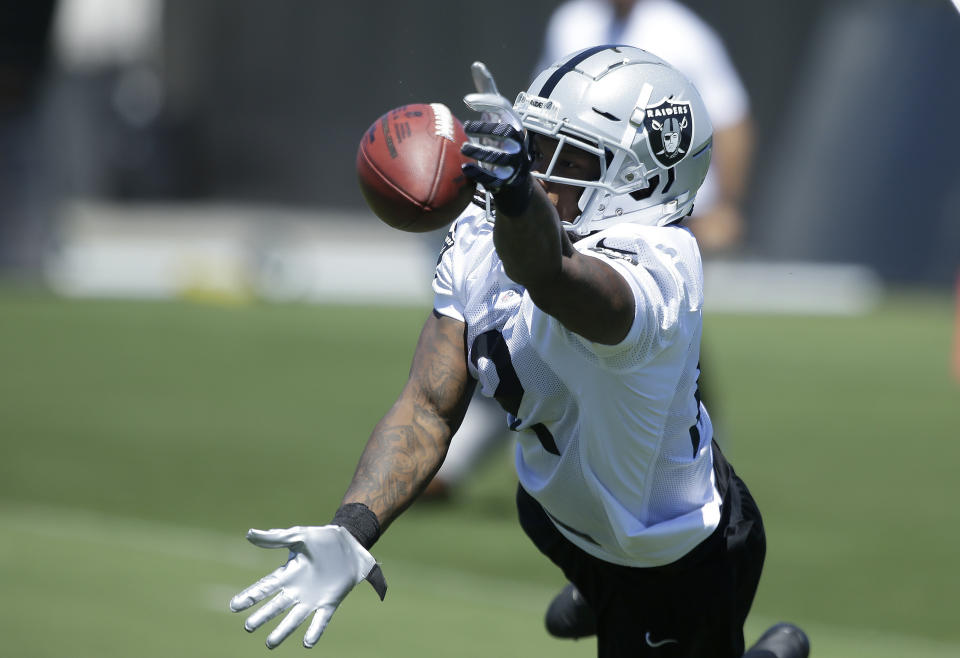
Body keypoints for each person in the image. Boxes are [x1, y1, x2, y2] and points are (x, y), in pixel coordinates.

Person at [228, 47, 808, 657]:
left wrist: (515, 199)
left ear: (642, 179)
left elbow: (554, 276)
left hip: (670, 556)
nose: (540, 171)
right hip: (553, 509)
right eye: (535, 147)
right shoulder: (485, 231)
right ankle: (598, 584)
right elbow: (429, 404)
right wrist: (352, 530)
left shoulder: (663, 264)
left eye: (571, 157)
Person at [425, 0, 754, 501]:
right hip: (580, 201)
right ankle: (696, 474)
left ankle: (697, 478)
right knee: (552, 324)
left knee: (647, 334)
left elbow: (731, 118)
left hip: (656, 211)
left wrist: (727, 203)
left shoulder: (684, 34)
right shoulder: (572, 20)